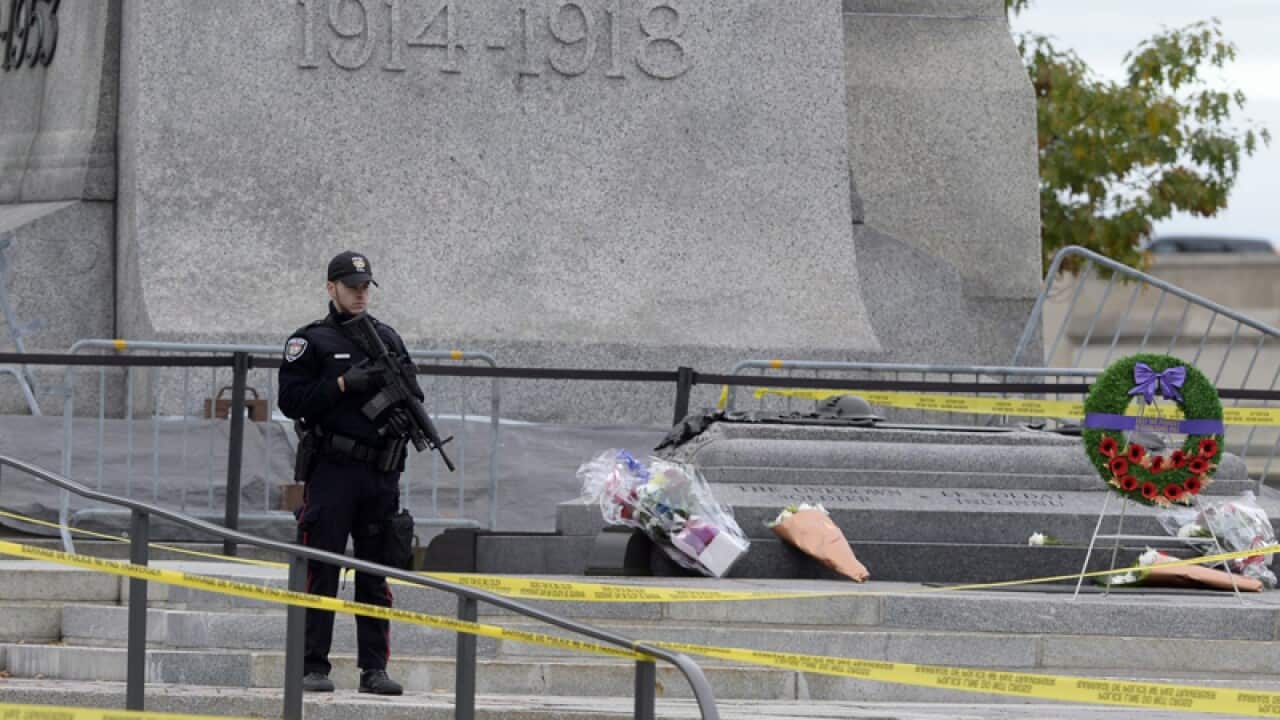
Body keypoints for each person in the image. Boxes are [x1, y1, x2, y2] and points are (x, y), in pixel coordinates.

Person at [278, 250, 424, 695]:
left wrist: (400, 413)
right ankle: (312, 665)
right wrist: (342, 385)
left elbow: (414, 392)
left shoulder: (388, 338)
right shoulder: (311, 342)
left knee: (374, 573)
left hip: (380, 472)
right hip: (334, 469)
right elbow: (292, 401)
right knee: (321, 566)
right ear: (331, 289)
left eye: (364, 287)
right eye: (351, 287)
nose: (359, 294)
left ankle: (373, 668)